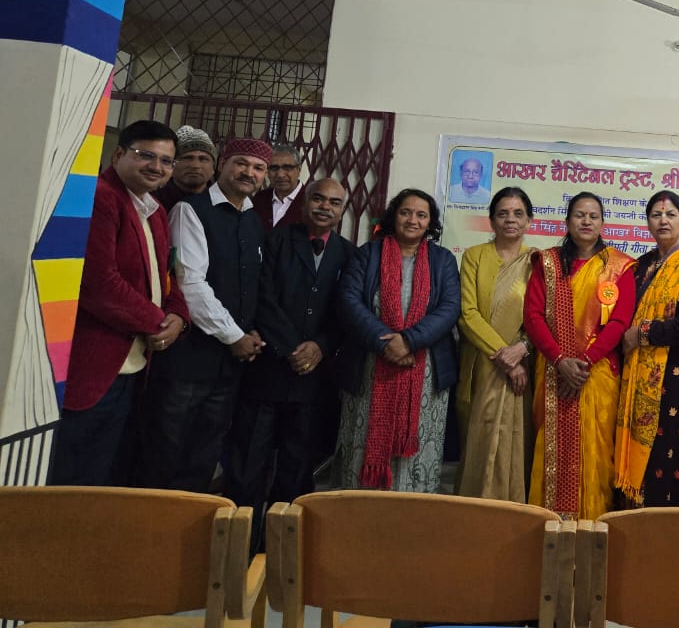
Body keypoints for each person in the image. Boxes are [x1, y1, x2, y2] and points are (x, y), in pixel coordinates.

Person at [49, 120, 188, 485]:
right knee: (71, 477)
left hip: (133, 365)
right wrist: (158, 322)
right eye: (146, 155)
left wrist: (178, 315)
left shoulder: (155, 210)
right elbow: (99, 284)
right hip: (94, 363)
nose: (156, 167)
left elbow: (166, 275)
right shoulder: (101, 197)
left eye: (166, 161)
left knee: (103, 473)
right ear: (118, 154)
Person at [136, 137, 271, 491]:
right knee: (165, 452)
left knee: (204, 454)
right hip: (188, 360)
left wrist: (252, 331)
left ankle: (191, 522)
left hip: (228, 366)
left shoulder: (252, 219)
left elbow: (251, 285)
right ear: (222, 164)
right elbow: (190, 284)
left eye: (258, 168)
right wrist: (235, 336)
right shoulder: (190, 211)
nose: (249, 173)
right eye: (241, 163)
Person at [225, 178, 355, 542]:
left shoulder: (349, 254)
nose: (325, 207)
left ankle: (281, 548)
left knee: (297, 468)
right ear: (305, 202)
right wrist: (294, 347)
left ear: (342, 210)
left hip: (314, 380)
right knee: (249, 464)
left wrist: (321, 347)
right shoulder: (274, 241)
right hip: (267, 370)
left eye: (334, 202)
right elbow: (260, 298)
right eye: (318, 199)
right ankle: (240, 545)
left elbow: (347, 310)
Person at [335, 189, 460, 492]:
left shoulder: (443, 260)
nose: (412, 220)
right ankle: (360, 507)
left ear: (430, 223)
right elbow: (349, 301)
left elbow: (449, 308)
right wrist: (385, 343)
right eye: (406, 212)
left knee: (419, 443)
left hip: (425, 370)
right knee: (363, 441)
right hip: (370, 365)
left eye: (421, 215)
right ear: (394, 216)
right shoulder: (368, 254)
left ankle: (413, 509)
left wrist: (408, 342)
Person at [524, 191, 635, 519]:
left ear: (602, 223)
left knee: (596, 451)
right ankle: (549, 525)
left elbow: (619, 322)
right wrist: (560, 360)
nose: (586, 221)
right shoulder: (547, 263)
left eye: (593, 216)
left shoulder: (619, 266)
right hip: (553, 371)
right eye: (579, 215)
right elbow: (533, 317)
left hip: (596, 374)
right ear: (568, 221)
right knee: (551, 449)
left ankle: (591, 526)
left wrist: (584, 362)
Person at [616, 190, 679, 507]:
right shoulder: (641, 265)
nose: (663, 221)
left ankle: (663, 527)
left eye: (671, 215)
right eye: (656, 215)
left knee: (667, 453)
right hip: (636, 374)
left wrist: (644, 332)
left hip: (674, 378)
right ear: (647, 222)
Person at [457, 187, 536, 502]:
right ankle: (474, 513)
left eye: (518, 213)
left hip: (523, 366)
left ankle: (515, 509)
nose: (510, 220)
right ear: (491, 220)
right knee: (479, 438)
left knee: (516, 439)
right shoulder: (474, 256)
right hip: (483, 363)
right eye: (502, 214)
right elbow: (468, 314)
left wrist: (522, 350)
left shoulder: (538, 261)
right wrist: (506, 358)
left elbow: (544, 317)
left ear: (529, 220)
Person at [155, 125, 215, 211]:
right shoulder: (154, 201)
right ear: (172, 164)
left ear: (213, 167)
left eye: (203, 159)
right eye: (187, 158)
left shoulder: (222, 203)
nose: (195, 165)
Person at [252, 144, 306, 230]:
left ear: (299, 170)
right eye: (274, 168)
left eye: (287, 168)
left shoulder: (310, 201)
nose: (280, 175)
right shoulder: (259, 198)